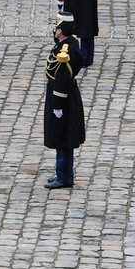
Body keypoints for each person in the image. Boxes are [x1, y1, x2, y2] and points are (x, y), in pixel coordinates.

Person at [43, 11, 86, 189]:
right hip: (69, 96)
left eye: (57, 28)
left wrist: (57, 105)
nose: (55, 31)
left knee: (63, 138)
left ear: (60, 31)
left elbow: (61, 81)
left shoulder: (65, 53)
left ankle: (64, 176)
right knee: (63, 137)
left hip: (63, 99)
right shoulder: (70, 43)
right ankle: (63, 173)